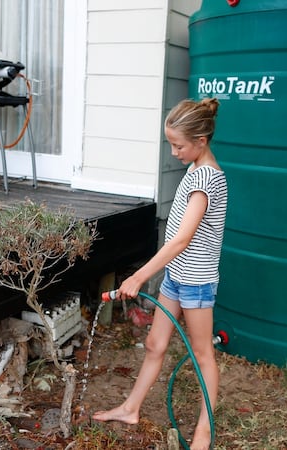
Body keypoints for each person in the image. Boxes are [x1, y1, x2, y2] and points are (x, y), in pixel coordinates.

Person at [93, 97, 227, 450]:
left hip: (196, 282)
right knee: (155, 343)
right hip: (176, 278)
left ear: (200, 141)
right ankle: (130, 408)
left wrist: (138, 277)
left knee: (201, 355)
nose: (174, 152)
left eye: (178, 145)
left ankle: (204, 432)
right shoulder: (194, 170)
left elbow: (182, 239)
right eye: (171, 143)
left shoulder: (207, 180)